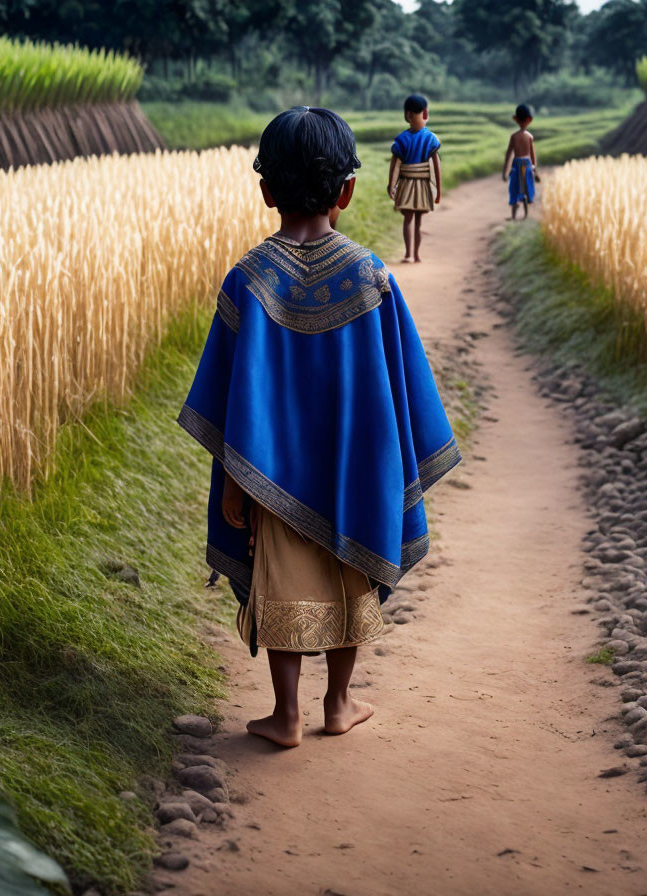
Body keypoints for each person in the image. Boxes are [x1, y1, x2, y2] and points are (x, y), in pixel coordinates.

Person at [178, 106, 460, 748]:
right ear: (348, 191)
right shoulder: (371, 278)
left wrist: (233, 482)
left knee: (279, 586)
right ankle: (339, 702)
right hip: (358, 471)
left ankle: (287, 714)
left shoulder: (248, 281)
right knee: (351, 579)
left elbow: (229, 397)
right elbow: (404, 384)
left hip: (268, 477)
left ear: (266, 191)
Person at [388, 94, 442, 263]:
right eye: (422, 113)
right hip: (411, 182)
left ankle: (414, 254)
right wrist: (391, 184)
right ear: (410, 115)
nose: (424, 116)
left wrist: (438, 189)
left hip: (417, 183)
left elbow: (436, 165)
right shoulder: (405, 140)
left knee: (415, 220)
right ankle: (409, 253)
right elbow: (396, 164)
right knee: (410, 219)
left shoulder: (429, 139)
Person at [503, 103, 539, 220]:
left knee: (514, 188)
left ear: (517, 119)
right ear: (529, 120)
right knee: (525, 189)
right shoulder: (530, 137)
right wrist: (535, 170)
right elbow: (533, 156)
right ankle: (525, 215)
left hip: (516, 164)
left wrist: (505, 171)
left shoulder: (514, 137)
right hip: (527, 165)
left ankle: (514, 215)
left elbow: (508, 154)